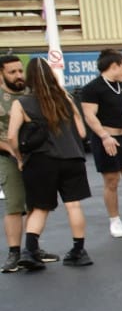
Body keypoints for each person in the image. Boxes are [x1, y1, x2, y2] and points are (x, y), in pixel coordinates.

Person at [6, 57, 94, 270]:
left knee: (40, 207)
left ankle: (30, 251)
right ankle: (78, 251)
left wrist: (19, 158)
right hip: (72, 158)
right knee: (73, 205)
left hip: (41, 160)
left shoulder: (22, 103)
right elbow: (82, 132)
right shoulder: (65, 98)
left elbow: (11, 137)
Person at [76, 48, 122, 239]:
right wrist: (104, 136)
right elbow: (89, 115)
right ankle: (114, 219)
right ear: (114, 66)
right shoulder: (92, 88)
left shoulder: (121, 86)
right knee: (111, 181)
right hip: (106, 139)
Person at [1, 53, 58, 272]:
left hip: (35, 156)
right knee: (15, 205)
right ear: (1, 74)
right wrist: (14, 153)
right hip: (8, 158)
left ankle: (31, 249)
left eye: (19, 71)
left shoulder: (29, 94)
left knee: (37, 205)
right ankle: (14, 253)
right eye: (12, 72)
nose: (18, 76)